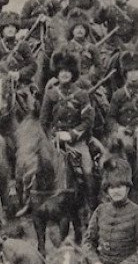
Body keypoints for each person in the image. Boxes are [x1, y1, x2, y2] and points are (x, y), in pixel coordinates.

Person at [40, 52, 97, 205]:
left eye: (67, 71)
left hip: (76, 141)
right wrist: (50, 137)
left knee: (87, 169)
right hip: (54, 141)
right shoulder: (50, 94)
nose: (64, 74)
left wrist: (71, 135)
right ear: (57, 73)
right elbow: (44, 121)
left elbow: (88, 121)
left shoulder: (82, 95)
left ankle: (90, 206)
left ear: (73, 73)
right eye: (61, 71)